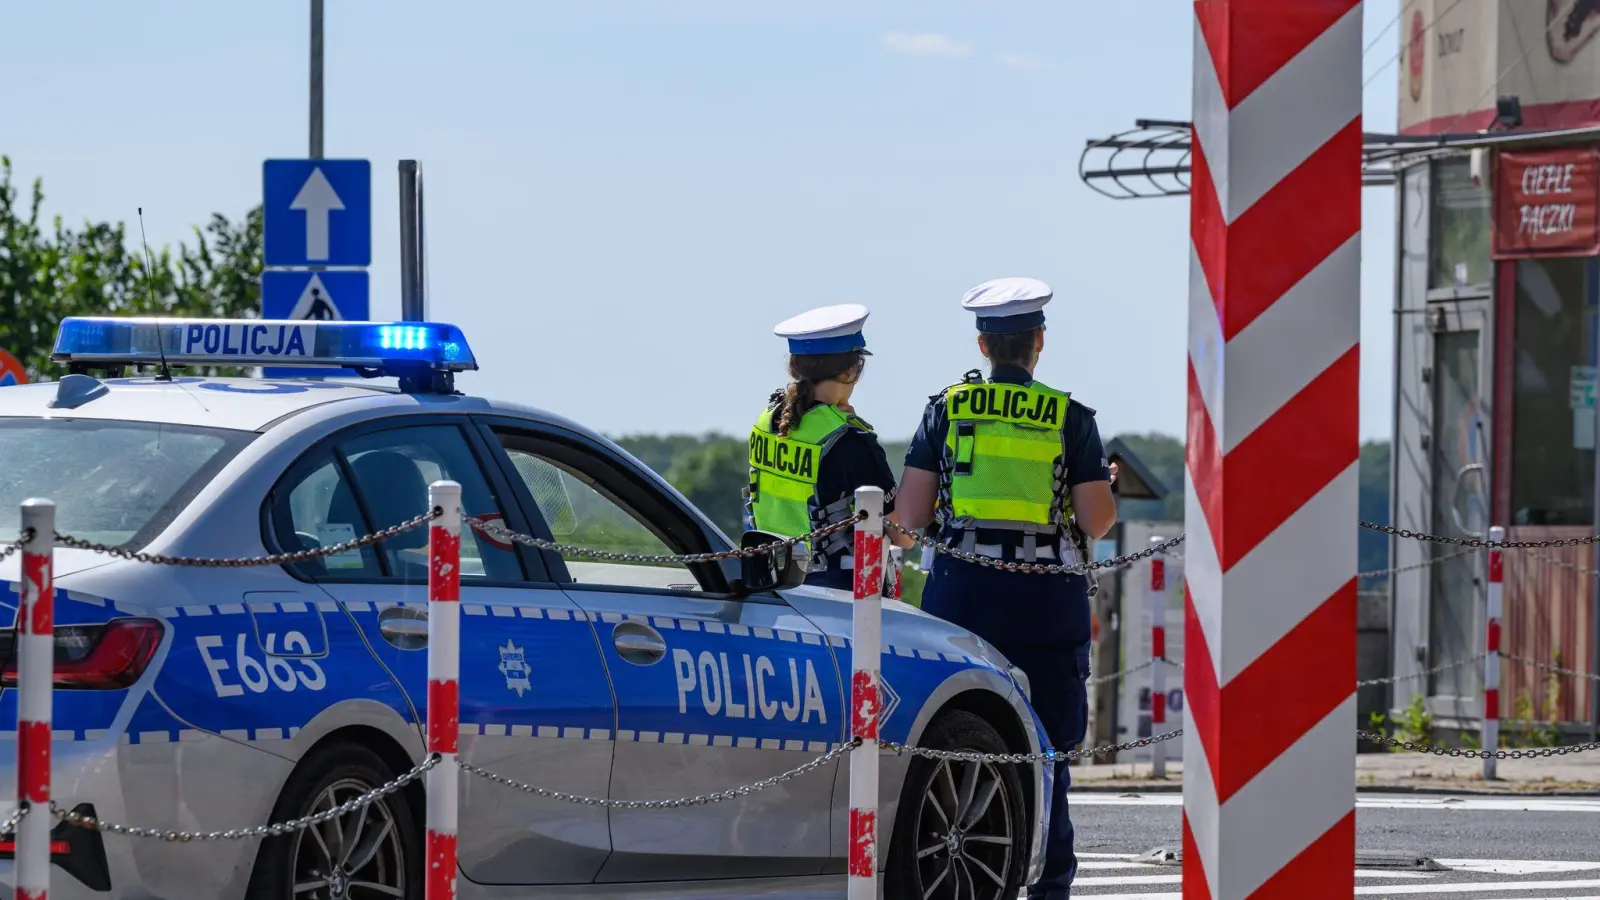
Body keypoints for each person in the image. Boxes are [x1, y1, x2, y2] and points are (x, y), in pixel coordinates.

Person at [892, 276, 1118, 899]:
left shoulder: (945, 409)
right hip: (1045, 605)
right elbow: (1097, 519)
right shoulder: (1070, 417)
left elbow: (909, 515)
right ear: (1038, 342)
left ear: (983, 345)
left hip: (961, 602)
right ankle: (1048, 887)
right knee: (1049, 757)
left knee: (954, 743)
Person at [745, 303, 901, 591]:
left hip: (771, 581)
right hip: (833, 592)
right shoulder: (851, 439)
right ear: (850, 371)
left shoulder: (766, 420)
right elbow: (903, 535)